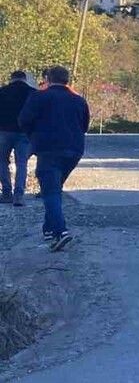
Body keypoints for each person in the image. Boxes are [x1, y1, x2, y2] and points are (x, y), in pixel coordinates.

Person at [18, 66, 90, 252]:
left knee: (50, 192)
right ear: (67, 80)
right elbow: (85, 125)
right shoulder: (79, 100)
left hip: (49, 149)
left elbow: (23, 120)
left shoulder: (39, 97)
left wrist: (34, 136)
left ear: (48, 79)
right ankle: (49, 229)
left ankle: (61, 232)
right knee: (54, 188)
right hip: (74, 150)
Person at [0, 70, 36, 206]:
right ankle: (19, 195)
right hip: (24, 133)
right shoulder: (32, 93)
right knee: (22, 163)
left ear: (11, 79)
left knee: (2, 161)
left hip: (3, 131)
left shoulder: (2, 91)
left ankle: (6, 192)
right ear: (24, 79)